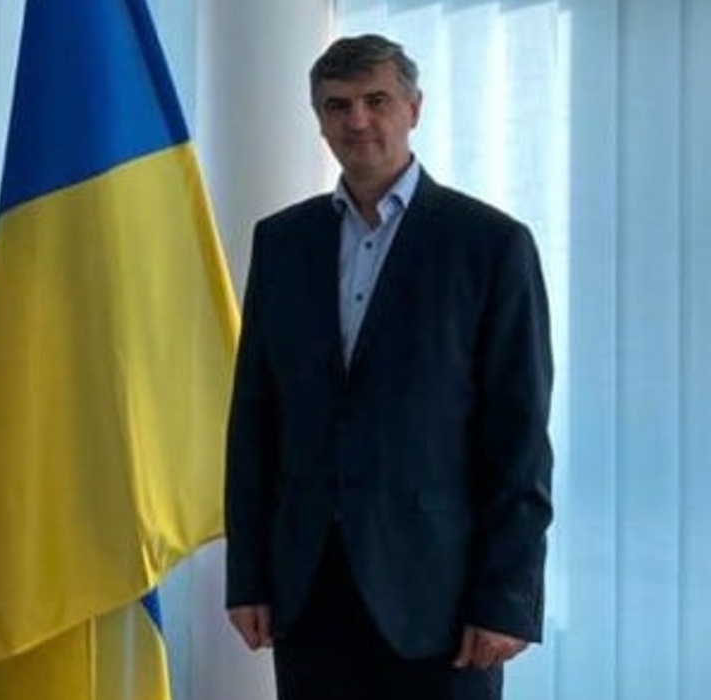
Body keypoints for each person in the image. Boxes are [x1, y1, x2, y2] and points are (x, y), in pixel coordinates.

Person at [223, 34, 553, 700]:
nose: (358, 120)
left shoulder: (489, 245)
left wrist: (508, 598)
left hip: (443, 598)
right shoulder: (282, 242)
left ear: (414, 109)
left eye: (376, 100)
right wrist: (248, 577)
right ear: (319, 120)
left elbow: (518, 437)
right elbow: (255, 421)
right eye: (337, 105)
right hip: (309, 589)